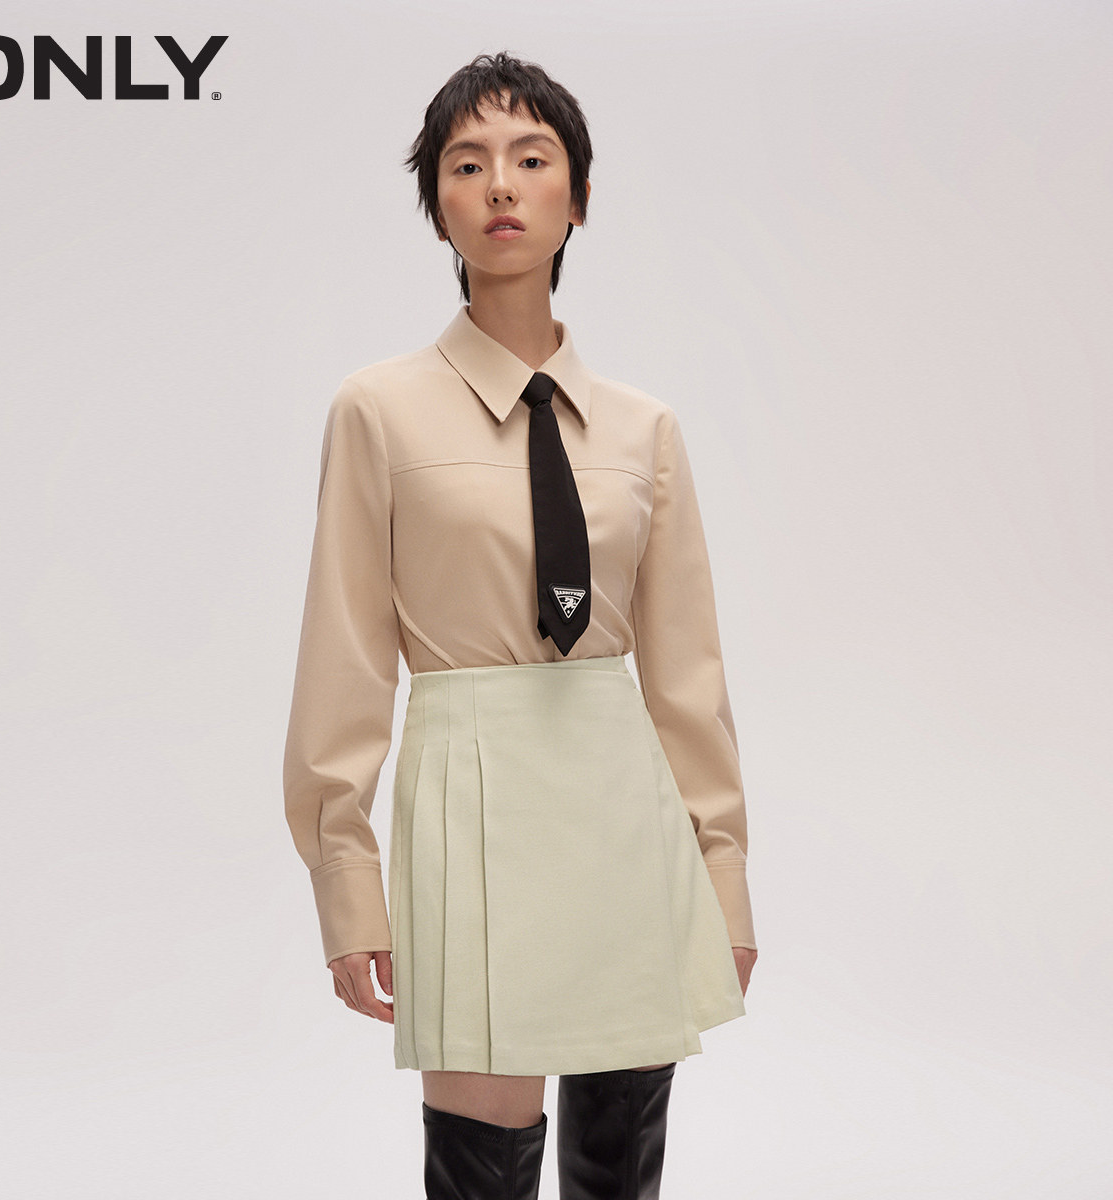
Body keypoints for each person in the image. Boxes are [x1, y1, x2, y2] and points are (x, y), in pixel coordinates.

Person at [282, 50, 759, 1200]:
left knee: (620, 1153)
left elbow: (686, 681)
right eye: (468, 163)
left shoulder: (643, 429)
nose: (500, 184)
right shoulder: (378, 410)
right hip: (472, 797)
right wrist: (347, 881)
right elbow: (345, 658)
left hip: (625, 812)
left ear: (576, 197)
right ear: (437, 204)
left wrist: (724, 873)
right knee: (481, 1155)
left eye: (531, 159)